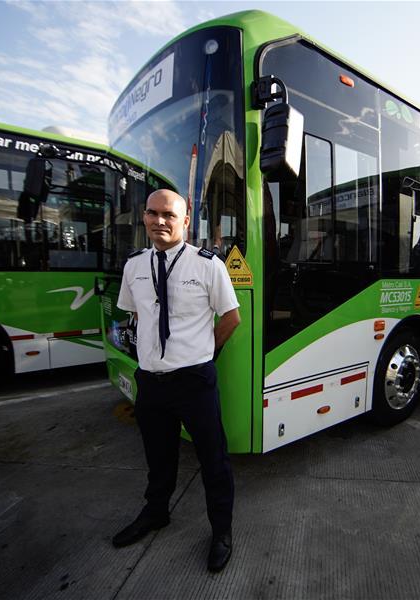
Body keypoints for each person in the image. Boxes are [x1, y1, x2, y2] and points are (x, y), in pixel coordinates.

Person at [112, 188, 241, 573]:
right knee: (158, 457)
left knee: (213, 460)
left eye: (169, 215)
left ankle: (221, 531)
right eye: (152, 213)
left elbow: (231, 318)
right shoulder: (134, 265)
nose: (159, 221)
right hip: (151, 382)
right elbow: (136, 315)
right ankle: (156, 513)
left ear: (186, 221)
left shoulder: (207, 265)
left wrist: (202, 354)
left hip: (194, 382)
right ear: (144, 217)